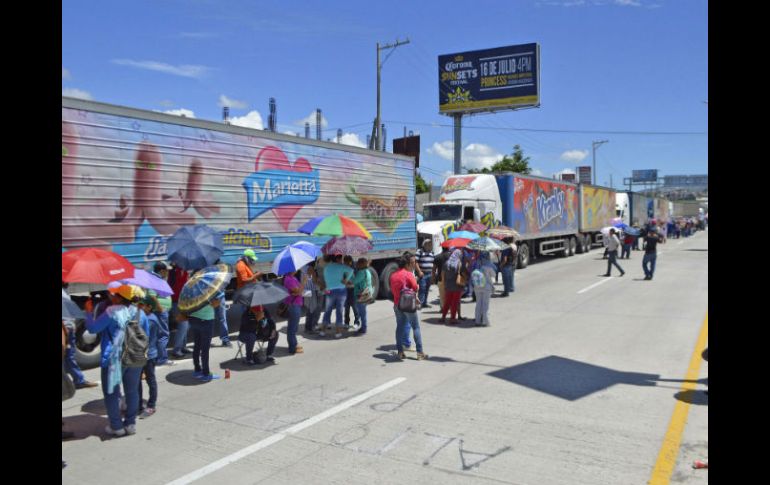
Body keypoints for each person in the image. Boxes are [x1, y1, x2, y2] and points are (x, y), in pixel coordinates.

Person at [85, 284, 146, 437]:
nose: (112, 296)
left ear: (119, 297)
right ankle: (131, 424)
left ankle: (116, 427)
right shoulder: (140, 313)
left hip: (114, 359)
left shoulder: (111, 312)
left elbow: (93, 329)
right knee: (132, 392)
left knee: (111, 393)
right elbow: (146, 335)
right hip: (135, 356)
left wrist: (88, 312)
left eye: (115, 294)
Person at [390, 253, 427, 361]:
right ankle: (420, 353)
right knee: (415, 327)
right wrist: (417, 285)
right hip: (408, 304)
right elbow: (415, 287)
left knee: (399, 327)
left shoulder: (393, 275)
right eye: (412, 262)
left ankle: (400, 352)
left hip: (397, 304)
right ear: (407, 264)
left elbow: (393, 290)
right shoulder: (408, 274)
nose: (414, 264)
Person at [62, 283, 99, 389]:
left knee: (69, 356)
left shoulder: (64, 292)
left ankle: (78, 379)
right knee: (69, 355)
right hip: (66, 330)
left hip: (67, 329)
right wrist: (66, 330)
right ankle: (79, 380)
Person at [183, 294, 222, 381]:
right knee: (205, 348)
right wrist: (217, 300)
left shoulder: (193, 288)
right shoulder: (210, 289)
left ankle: (197, 370)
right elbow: (214, 304)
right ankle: (206, 373)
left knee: (197, 345)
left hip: (194, 318)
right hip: (206, 319)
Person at [137, 296, 160, 418]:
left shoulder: (150, 320)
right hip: (141, 354)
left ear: (149, 307)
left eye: (142, 305)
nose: (139, 307)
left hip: (149, 355)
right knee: (137, 381)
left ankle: (151, 406)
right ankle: (138, 404)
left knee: (150, 380)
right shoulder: (145, 317)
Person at [149, 262, 175, 366]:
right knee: (163, 335)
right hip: (160, 312)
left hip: (162, 311)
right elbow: (152, 295)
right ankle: (162, 359)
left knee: (159, 335)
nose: (168, 272)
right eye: (167, 270)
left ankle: (157, 357)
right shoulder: (155, 280)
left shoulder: (158, 279)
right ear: (162, 271)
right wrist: (160, 308)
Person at [321, 254, 353, 338]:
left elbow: (325, 279)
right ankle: (338, 331)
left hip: (329, 290)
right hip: (341, 290)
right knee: (339, 311)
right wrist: (346, 280)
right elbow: (351, 270)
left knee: (327, 310)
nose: (342, 261)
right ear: (338, 259)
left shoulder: (326, 267)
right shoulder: (341, 266)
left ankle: (323, 330)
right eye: (341, 259)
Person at [169, 264, 191, 358]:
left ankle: (183, 346)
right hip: (176, 302)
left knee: (186, 325)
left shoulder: (184, 272)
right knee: (183, 325)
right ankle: (177, 349)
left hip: (184, 302)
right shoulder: (173, 272)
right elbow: (176, 287)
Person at [283, 269, 307, 354]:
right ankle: (292, 348)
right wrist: (304, 282)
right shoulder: (289, 279)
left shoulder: (292, 278)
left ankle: (294, 344)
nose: (297, 269)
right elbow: (298, 291)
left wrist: (299, 291)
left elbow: (298, 291)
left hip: (296, 304)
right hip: (293, 305)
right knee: (292, 328)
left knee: (294, 326)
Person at [441, 249, 466, 324]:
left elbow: (443, 274)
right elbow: (463, 273)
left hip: (448, 286)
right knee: (455, 303)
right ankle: (452, 318)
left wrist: (444, 284)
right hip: (457, 286)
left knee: (447, 302)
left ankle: (443, 317)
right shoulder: (459, 263)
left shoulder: (446, 263)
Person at [472, 252, 497, 327]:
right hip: (486, 287)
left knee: (478, 304)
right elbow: (493, 278)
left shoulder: (476, 263)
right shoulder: (490, 265)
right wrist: (493, 286)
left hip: (477, 287)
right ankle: (485, 322)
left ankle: (477, 321)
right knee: (485, 305)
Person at [353, 258, 373, 334]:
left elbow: (355, 281)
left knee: (362, 312)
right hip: (367, 293)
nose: (356, 264)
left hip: (361, 295)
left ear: (361, 264)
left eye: (358, 263)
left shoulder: (361, 272)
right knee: (363, 311)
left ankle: (364, 328)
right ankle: (363, 327)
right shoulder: (367, 271)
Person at [302, 263, 323, 334]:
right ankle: (310, 328)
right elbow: (314, 281)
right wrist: (322, 286)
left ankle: (308, 328)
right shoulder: (310, 268)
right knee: (312, 310)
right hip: (311, 291)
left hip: (305, 291)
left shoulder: (302, 267)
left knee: (309, 310)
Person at [416, 240, 435, 309]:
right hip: (423, 274)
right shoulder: (420, 252)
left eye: (430, 244)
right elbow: (416, 262)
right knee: (422, 289)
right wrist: (419, 271)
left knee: (427, 289)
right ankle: (419, 303)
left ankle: (424, 303)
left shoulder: (432, 253)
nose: (430, 245)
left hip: (429, 273)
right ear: (425, 244)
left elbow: (433, 263)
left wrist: (433, 274)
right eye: (429, 244)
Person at [343, 255, 360, 328]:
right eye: (345, 262)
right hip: (346, 289)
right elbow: (342, 279)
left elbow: (358, 280)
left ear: (350, 262)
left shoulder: (355, 269)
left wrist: (351, 283)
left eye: (347, 262)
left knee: (354, 306)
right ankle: (346, 322)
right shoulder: (343, 269)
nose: (346, 263)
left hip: (353, 289)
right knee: (346, 307)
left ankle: (357, 322)